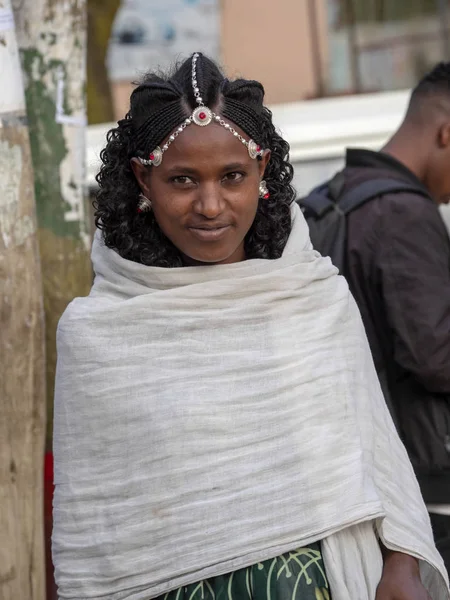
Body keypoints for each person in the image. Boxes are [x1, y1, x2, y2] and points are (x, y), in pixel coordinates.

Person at [52, 53, 449, 600]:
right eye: (183, 179)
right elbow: (94, 530)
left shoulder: (312, 299)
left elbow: (375, 452)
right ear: (144, 178)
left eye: (232, 176)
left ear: (262, 170)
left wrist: (403, 564)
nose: (211, 205)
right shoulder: (99, 336)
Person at [308, 62, 450, 571]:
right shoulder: (404, 212)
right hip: (424, 485)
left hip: (360, 471)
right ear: (446, 131)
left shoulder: (335, 195)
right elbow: (435, 355)